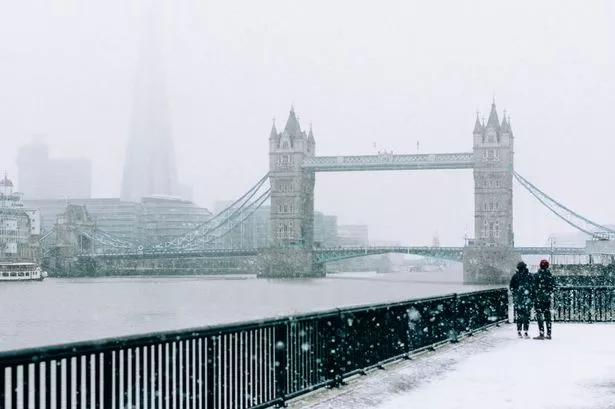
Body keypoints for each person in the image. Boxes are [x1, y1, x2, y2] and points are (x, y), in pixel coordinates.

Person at [509, 261, 533, 338]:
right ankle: (526, 331)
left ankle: (519, 331)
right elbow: (532, 286)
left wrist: (515, 293)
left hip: (518, 298)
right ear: (525, 267)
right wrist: (529, 292)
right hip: (527, 298)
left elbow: (511, 287)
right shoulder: (529, 276)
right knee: (526, 315)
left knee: (519, 315)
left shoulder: (515, 276)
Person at [533, 259, 555, 340]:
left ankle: (541, 333)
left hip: (538, 298)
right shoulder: (550, 276)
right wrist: (548, 293)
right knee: (547, 315)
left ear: (540, 266)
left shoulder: (536, 275)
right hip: (547, 298)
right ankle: (549, 334)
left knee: (539, 314)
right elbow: (553, 287)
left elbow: (533, 287)